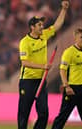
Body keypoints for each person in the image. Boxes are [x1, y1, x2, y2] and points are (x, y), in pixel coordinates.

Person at [17, 0, 69, 129]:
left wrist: (64, 9)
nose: (42, 26)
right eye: (39, 25)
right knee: (24, 113)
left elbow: (57, 25)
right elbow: (24, 62)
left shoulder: (44, 35)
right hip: (27, 81)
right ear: (32, 27)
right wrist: (43, 67)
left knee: (44, 113)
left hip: (41, 81)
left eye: (42, 24)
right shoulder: (25, 42)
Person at [51, 28, 82, 129]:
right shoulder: (69, 52)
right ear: (75, 38)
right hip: (72, 89)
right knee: (63, 116)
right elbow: (62, 70)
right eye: (81, 37)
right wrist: (66, 86)